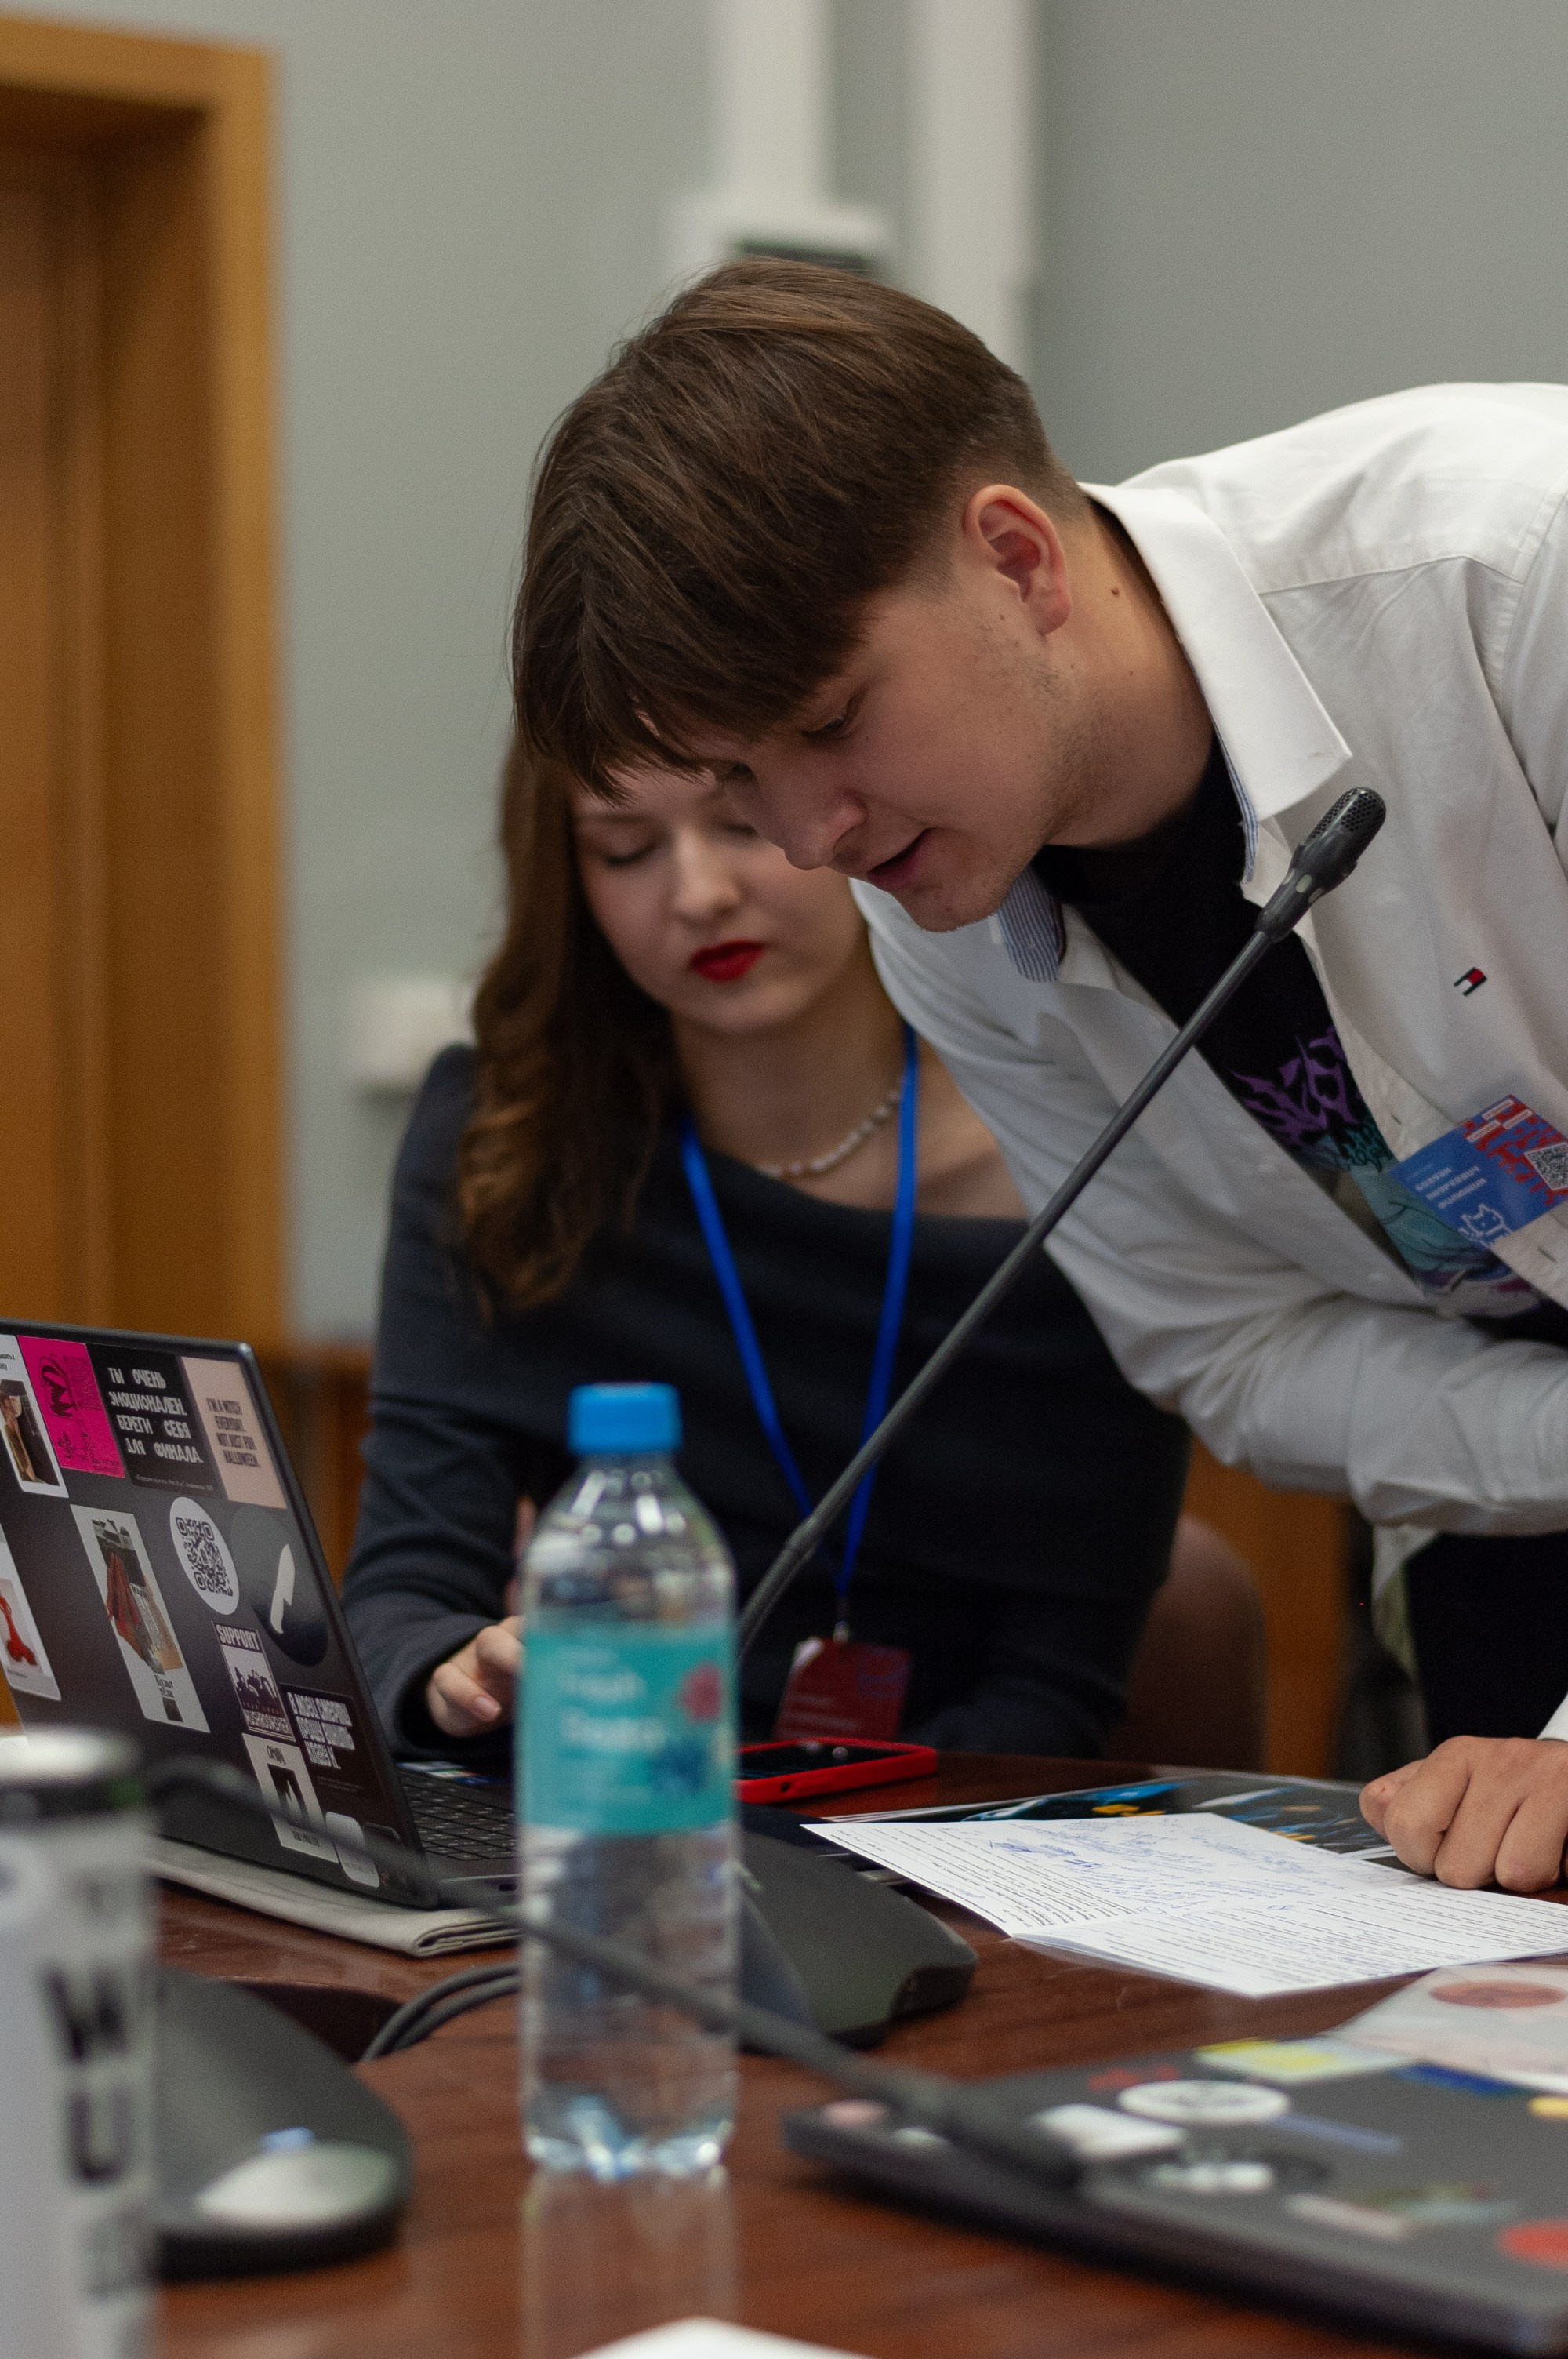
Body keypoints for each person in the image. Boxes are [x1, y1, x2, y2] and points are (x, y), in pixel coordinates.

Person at [511, 258, 1568, 1886]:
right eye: (738, 777)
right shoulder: (943, 907)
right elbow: (1227, 1347)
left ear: (1013, 558)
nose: (808, 840)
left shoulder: (1512, 576)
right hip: (1513, 1537)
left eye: (829, 723)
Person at [341, 743, 1223, 1760]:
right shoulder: (506, 1148)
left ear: (866, 818)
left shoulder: (1073, 1155)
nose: (700, 895)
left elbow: (1053, 1694)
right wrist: (459, 1677)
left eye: (745, 826)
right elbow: (403, 1601)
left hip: (950, 1826)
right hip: (613, 1793)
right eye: (625, 850)